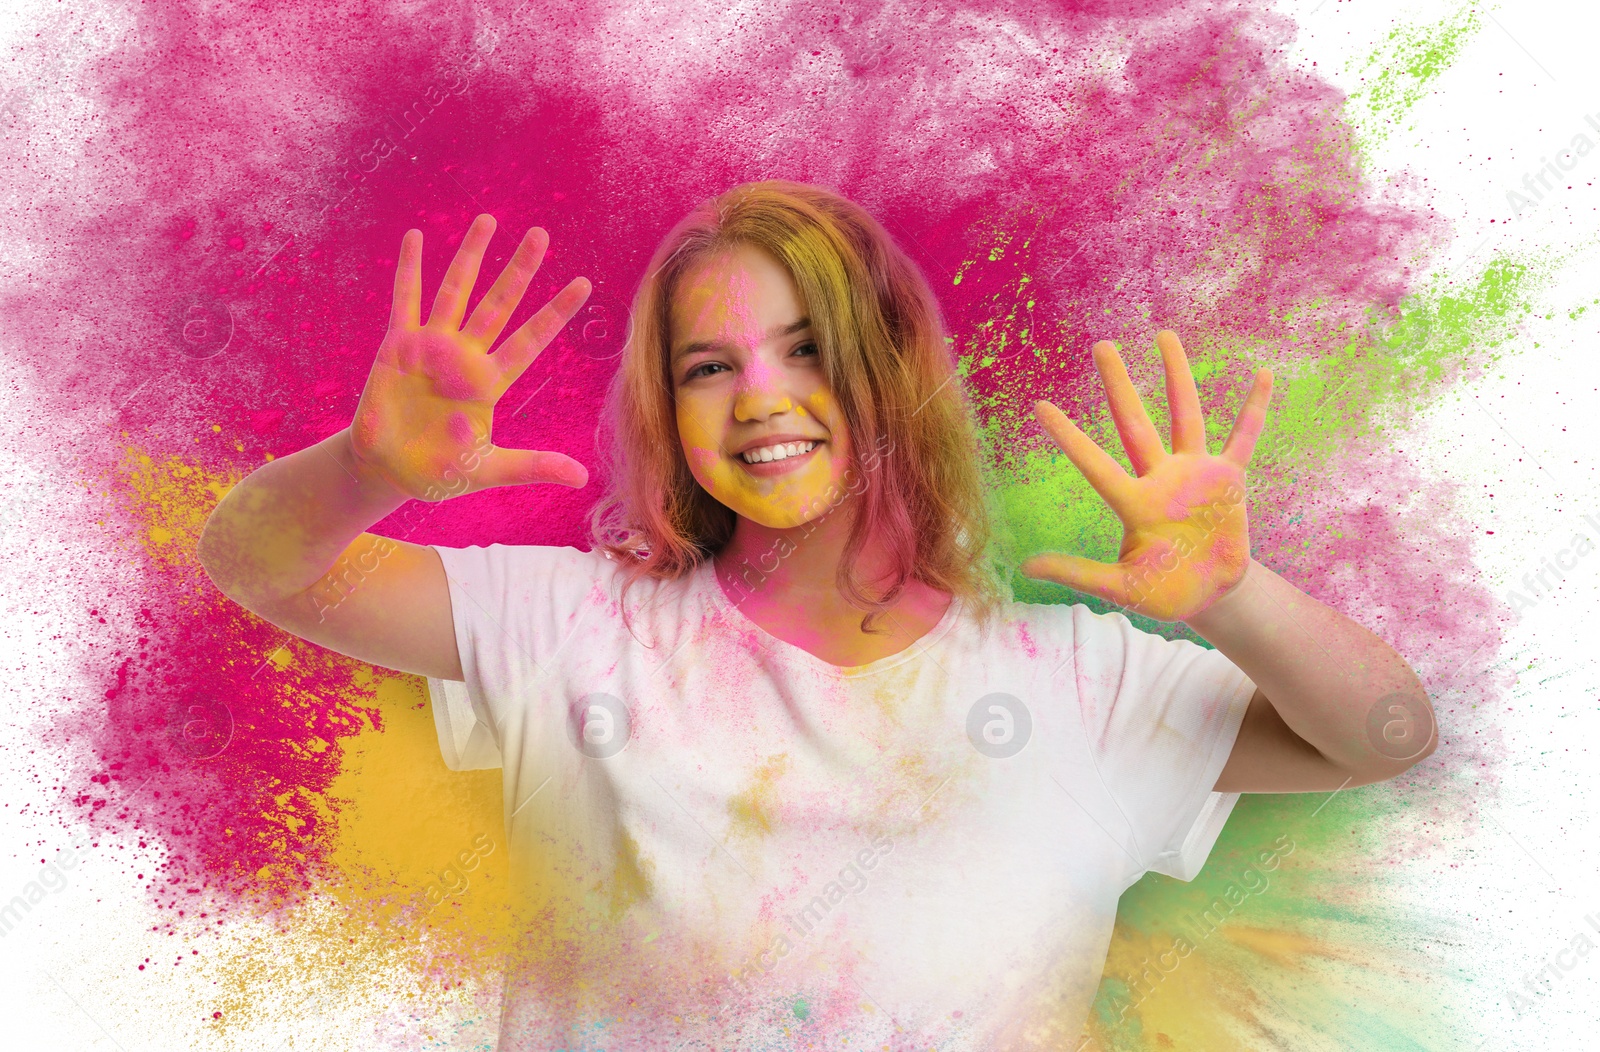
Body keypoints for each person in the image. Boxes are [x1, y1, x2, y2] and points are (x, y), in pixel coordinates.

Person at [197, 180, 1437, 1050]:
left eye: (807, 348)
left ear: (892, 370)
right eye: (708, 365)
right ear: (668, 410)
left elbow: (1381, 733)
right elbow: (258, 565)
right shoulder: (575, 623)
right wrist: (362, 470)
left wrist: (1234, 595)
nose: (760, 399)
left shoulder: (1073, 680)